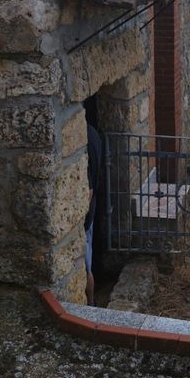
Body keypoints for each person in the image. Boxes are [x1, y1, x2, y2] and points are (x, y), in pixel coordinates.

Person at [85, 123, 102, 305]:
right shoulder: (94, 133)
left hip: (85, 215)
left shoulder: (83, 139)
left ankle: (90, 305)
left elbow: (88, 190)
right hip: (93, 209)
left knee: (86, 267)